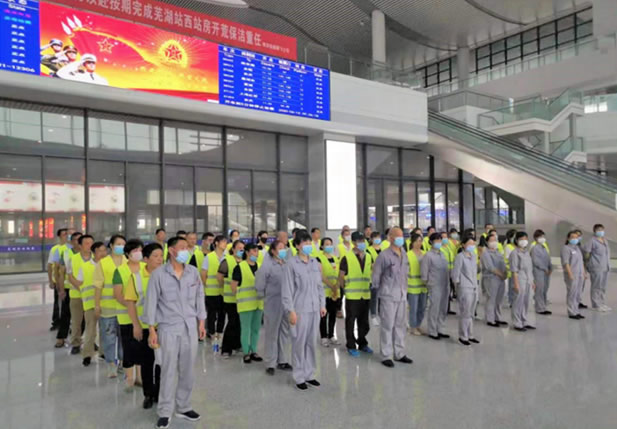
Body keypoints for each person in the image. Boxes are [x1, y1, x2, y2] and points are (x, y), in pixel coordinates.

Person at [144, 236, 206, 429]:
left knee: (187, 371)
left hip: (190, 328)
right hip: (168, 328)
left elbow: (199, 298)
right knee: (168, 370)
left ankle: (184, 406)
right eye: (182, 247)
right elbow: (151, 303)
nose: (186, 250)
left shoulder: (193, 273)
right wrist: (151, 330)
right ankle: (164, 411)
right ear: (171, 251)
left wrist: (201, 323)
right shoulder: (159, 275)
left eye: (187, 247)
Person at [281, 231, 326, 391]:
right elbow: (287, 290)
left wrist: (322, 304)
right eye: (305, 243)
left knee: (311, 343)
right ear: (298, 245)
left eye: (309, 243)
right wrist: (290, 311)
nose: (308, 246)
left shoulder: (314, 262)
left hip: (314, 309)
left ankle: (310, 374)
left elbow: (319, 286)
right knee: (299, 343)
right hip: (300, 310)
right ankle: (299, 376)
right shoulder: (291, 264)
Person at [124, 243, 163, 409]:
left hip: (164, 326)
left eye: (161, 255)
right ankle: (148, 393)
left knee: (163, 362)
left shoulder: (167, 275)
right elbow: (130, 302)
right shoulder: (136, 277)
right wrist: (136, 325)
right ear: (145, 259)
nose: (160, 259)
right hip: (146, 326)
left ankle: (161, 392)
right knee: (147, 362)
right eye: (155, 256)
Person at [371, 227, 413, 367]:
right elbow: (376, 277)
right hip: (388, 295)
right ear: (390, 238)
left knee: (400, 325)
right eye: (398, 236)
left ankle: (399, 353)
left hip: (401, 295)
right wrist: (377, 296)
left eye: (402, 236)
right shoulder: (384, 256)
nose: (401, 238)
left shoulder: (404, 253)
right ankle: (386, 355)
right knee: (387, 325)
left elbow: (405, 274)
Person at [256, 240, 292, 375]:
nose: (283, 250)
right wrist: (263, 297)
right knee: (272, 332)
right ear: (273, 251)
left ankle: (282, 360)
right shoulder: (267, 266)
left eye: (285, 248)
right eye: (280, 248)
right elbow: (260, 283)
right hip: (273, 302)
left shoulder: (287, 265)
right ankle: (271, 362)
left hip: (286, 303)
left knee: (284, 332)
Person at [113, 238, 145, 391]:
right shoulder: (120, 271)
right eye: (134, 251)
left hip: (144, 317)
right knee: (129, 348)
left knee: (141, 347)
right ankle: (129, 378)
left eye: (140, 250)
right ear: (127, 254)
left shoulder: (146, 268)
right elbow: (118, 295)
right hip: (126, 317)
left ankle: (140, 377)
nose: (138, 253)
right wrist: (132, 305)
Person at [94, 234, 126, 378]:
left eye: (123, 244)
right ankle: (111, 364)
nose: (121, 247)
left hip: (125, 307)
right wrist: (96, 305)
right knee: (109, 337)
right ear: (111, 246)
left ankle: (122, 362)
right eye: (118, 244)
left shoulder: (127, 261)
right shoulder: (103, 263)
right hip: (108, 307)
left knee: (124, 337)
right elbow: (98, 286)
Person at [338, 232, 373, 357]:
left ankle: (362, 343)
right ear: (353, 243)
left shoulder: (368, 256)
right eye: (359, 241)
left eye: (363, 241)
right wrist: (345, 289)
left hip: (365, 294)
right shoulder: (346, 258)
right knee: (351, 321)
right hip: (352, 296)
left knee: (364, 322)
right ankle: (351, 345)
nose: (362, 243)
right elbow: (341, 277)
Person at [231, 243, 264, 364]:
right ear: (247, 252)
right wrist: (240, 296)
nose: (257, 253)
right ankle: (246, 352)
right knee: (246, 329)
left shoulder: (260, 266)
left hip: (258, 303)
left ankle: (254, 350)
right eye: (254, 251)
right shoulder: (240, 267)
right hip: (245, 304)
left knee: (256, 329)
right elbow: (233, 286)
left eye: (257, 251)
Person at [67, 234, 94, 361]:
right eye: (87, 243)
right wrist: (78, 286)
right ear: (80, 245)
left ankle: (90, 343)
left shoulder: (96, 258)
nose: (90, 245)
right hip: (76, 294)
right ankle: (76, 343)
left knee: (91, 322)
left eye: (91, 243)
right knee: (77, 321)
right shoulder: (73, 258)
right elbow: (70, 275)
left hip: (92, 296)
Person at [452, 236, 480, 346]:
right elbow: (456, 274)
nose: (472, 246)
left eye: (473, 244)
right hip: (464, 288)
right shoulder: (460, 257)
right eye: (469, 244)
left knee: (471, 313)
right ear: (463, 245)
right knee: (465, 312)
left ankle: (470, 335)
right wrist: (457, 288)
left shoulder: (473, 256)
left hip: (473, 287)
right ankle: (463, 336)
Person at [421, 232, 450, 340]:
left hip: (444, 284)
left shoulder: (442, 254)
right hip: (434, 285)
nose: (439, 242)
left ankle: (440, 329)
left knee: (443, 308)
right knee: (434, 308)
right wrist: (429, 284)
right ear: (431, 242)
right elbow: (424, 273)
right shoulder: (428, 256)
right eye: (436, 240)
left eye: (440, 240)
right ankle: (432, 331)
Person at [57, 231, 82, 353]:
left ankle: (81, 340)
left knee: (84, 318)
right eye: (77, 239)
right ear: (72, 242)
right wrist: (61, 289)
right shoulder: (66, 253)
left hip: (84, 289)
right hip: (69, 288)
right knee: (66, 314)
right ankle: (61, 337)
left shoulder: (89, 253)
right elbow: (61, 273)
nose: (79, 241)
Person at [218, 240, 244, 358]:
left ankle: (236, 344)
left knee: (239, 323)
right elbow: (220, 277)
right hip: (230, 299)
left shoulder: (244, 262)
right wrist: (225, 288)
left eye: (243, 248)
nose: (241, 250)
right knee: (232, 322)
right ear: (233, 249)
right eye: (239, 248)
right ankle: (226, 348)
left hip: (242, 299)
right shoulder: (227, 261)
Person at [201, 235, 227, 350]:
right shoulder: (209, 257)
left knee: (222, 313)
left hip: (223, 291)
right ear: (216, 243)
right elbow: (203, 274)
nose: (225, 244)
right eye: (223, 242)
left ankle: (220, 332)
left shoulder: (227, 257)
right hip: (211, 291)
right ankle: (211, 333)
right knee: (211, 314)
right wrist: (206, 284)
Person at [509, 232, 536, 332]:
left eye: (525, 238)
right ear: (516, 240)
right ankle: (517, 322)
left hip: (528, 280)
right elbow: (514, 270)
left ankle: (524, 320)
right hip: (519, 280)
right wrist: (516, 284)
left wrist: (532, 281)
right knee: (518, 302)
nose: (524, 241)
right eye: (521, 239)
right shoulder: (514, 253)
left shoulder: (527, 252)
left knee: (526, 302)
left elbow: (529, 268)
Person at [316, 238, 340, 347]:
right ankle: (323, 337)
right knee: (323, 315)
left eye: (330, 244)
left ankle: (331, 335)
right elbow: (321, 275)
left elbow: (339, 273)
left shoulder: (335, 258)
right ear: (322, 246)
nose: (329, 246)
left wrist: (336, 288)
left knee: (333, 314)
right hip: (324, 292)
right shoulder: (319, 258)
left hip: (335, 292)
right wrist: (331, 286)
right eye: (326, 244)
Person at [481, 233, 507, 327]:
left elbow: (503, 264)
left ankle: (497, 318)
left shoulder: (498, 252)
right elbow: (490, 267)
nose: (494, 242)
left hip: (500, 279)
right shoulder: (485, 253)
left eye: (495, 240)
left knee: (499, 299)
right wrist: (501, 274)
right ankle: (490, 319)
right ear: (487, 242)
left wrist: (505, 274)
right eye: (491, 241)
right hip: (491, 278)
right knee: (491, 299)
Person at [584, 224, 611, 312]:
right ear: (594, 231)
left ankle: (602, 303)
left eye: (602, 229)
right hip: (596, 267)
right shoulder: (592, 241)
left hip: (605, 267)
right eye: (598, 230)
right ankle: (596, 304)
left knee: (603, 286)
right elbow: (587, 253)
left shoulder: (605, 240)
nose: (601, 231)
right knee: (596, 286)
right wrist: (588, 263)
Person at [47, 228, 68, 331]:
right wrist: (51, 280)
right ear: (59, 236)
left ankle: (67, 323)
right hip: (58, 281)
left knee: (67, 305)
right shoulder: (55, 249)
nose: (66, 236)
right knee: (58, 303)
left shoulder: (72, 248)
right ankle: (56, 322)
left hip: (69, 282)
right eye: (64, 234)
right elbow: (51, 266)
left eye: (67, 234)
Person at [561, 232, 586, 320]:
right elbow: (566, 263)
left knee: (577, 293)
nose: (575, 239)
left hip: (580, 274)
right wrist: (570, 274)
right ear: (568, 238)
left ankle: (576, 311)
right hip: (572, 274)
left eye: (576, 237)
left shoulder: (577, 248)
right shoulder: (566, 248)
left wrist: (584, 272)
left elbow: (581, 261)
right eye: (572, 237)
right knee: (572, 293)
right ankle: (572, 312)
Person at [407, 233, 427, 336]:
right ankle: (413, 326)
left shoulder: (424, 254)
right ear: (412, 242)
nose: (419, 243)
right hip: (412, 286)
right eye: (417, 241)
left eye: (420, 241)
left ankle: (418, 325)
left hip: (423, 286)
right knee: (413, 308)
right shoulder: (408, 255)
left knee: (422, 307)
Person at [531, 230, 552, 315]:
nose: (543, 238)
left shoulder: (543, 247)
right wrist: (544, 268)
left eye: (543, 236)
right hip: (539, 271)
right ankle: (539, 308)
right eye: (540, 237)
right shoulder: (535, 248)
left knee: (544, 289)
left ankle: (543, 306)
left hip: (546, 272)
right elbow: (536, 261)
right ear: (536, 238)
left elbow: (548, 259)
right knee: (539, 289)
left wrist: (550, 268)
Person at [367, 231, 382, 326]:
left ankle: (381, 314)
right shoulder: (368, 250)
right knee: (373, 298)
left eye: (379, 237)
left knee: (382, 297)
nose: (377, 239)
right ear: (371, 239)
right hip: (373, 277)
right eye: (375, 238)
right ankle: (373, 315)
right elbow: (371, 264)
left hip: (383, 277)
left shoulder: (384, 249)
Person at [440, 231, 456, 315]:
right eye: (443, 237)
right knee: (444, 291)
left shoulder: (448, 248)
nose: (445, 239)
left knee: (448, 291)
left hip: (450, 272)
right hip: (443, 273)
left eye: (446, 237)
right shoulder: (440, 249)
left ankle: (448, 308)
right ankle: (443, 308)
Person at [504, 229, 517, 307]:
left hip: (517, 269)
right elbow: (508, 258)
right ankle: (512, 301)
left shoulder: (516, 246)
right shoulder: (508, 246)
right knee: (512, 286)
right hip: (511, 269)